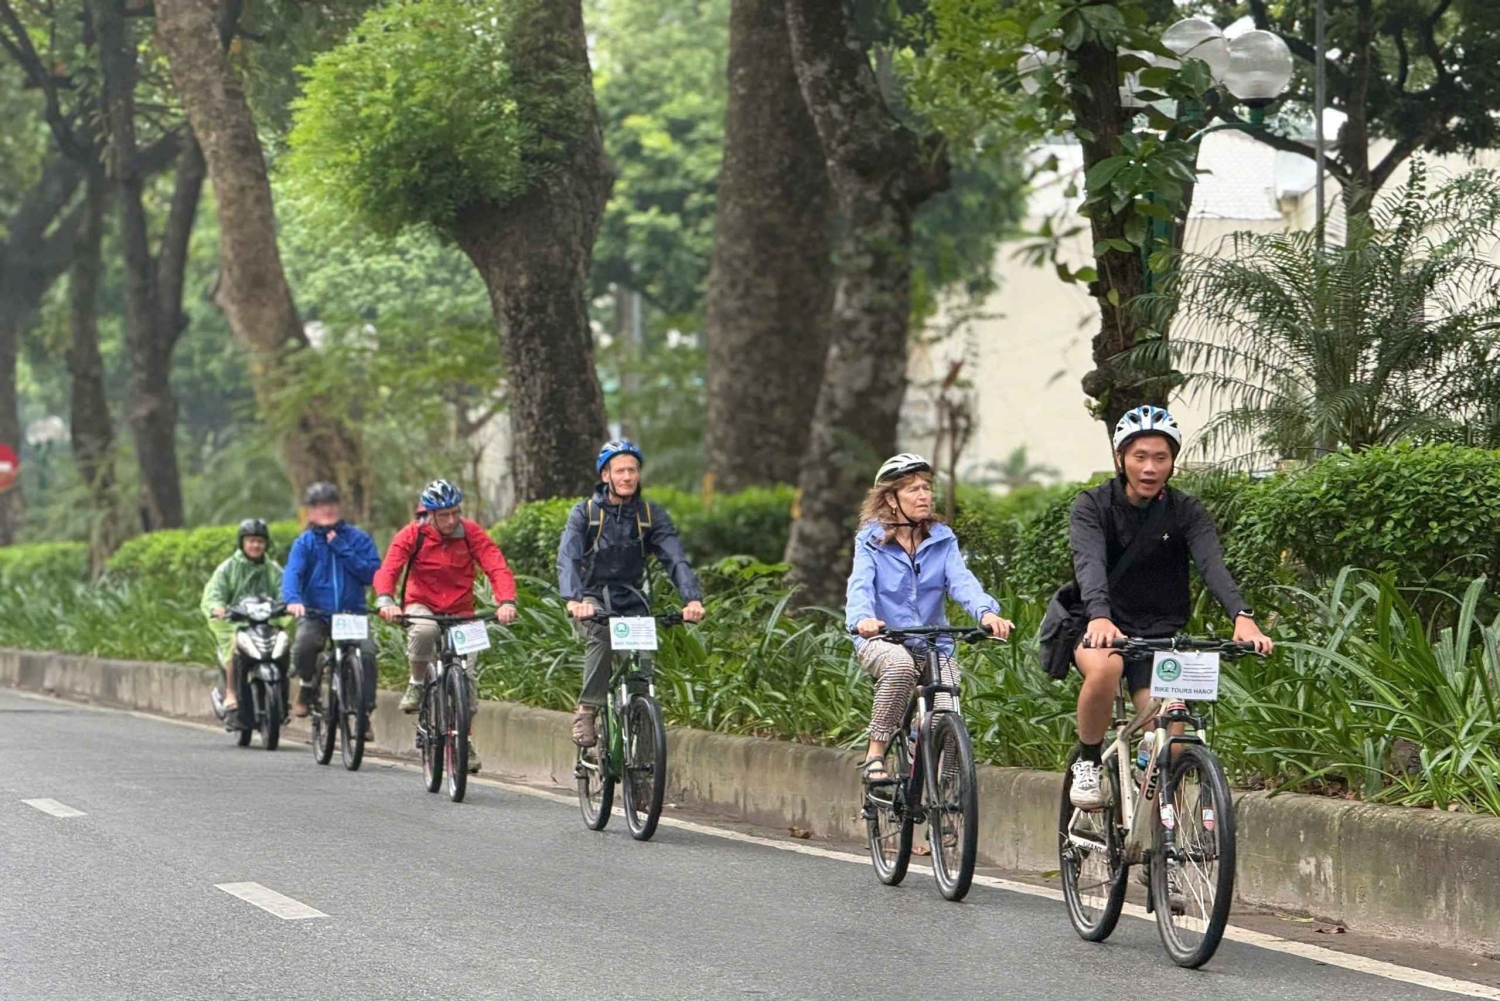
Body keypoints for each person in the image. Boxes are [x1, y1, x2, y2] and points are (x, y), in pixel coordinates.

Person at [1067, 406, 1273, 810]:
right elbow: (1088, 563)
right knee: (1106, 668)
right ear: (1121, 459)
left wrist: (1242, 617)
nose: (1150, 468)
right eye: (1140, 456)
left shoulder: (1186, 510)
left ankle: (1164, 838)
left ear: (1172, 462)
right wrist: (1100, 616)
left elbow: (1212, 564)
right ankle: (1088, 761)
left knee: (1172, 739)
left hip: (1159, 631)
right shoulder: (1093, 505)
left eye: (1160, 458)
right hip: (1099, 622)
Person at [845, 454, 1013, 784]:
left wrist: (987, 613)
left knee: (948, 705)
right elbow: (860, 584)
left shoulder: (942, 538)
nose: (924, 495)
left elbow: (962, 582)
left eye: (926, 487)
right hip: (882, 639)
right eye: (913, 489)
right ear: (891, 499)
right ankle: (875, 753)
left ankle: (949, 792)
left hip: (934, 643)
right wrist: (863, 619)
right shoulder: (870, 540)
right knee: (900, 666)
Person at [557, 439, 705, 748]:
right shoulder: (585, 513)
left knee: (641, 668)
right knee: (601, 634)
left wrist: (692, 599)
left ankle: (640, 726)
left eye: (633, 470)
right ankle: (587, 710)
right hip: (591, 598)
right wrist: (573, 599)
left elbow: (675, 558)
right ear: (605, 476)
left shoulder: (650, 515)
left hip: (632, 599)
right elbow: (568, 557)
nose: (627, 477)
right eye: (620, 471)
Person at [374, 479, 518, 774]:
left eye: (455, 513)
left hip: (461, 611)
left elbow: (496, 565)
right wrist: (386, 600)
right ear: (429, 514)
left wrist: (506, 601)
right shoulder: (412, 534)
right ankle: (417, 683)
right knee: (424, 631)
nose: (451, 520)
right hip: (422, 604)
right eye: (444, 515)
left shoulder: (471, 532)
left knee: (468, 679)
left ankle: (464, 741)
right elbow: (390, 567)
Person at [282, 482, 382, 739]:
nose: (326, 510)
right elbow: (293, 573)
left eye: (330, 504)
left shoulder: (358, 538)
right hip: (316, 613)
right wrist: (293, 599)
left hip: (352, 613)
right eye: (319, 505)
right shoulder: (305, 543)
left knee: (367, 653)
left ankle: (363, 714)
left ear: (339, 506)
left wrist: (341, 547)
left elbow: (372, 574)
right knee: (304, 645)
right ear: (310, 511)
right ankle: (306, 685)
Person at [202, 519, 283, 730]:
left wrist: (289, 604)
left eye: (260, 541)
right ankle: (231, 692)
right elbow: (215, 593)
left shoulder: (273, 569)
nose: (255, 545)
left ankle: (283, 696)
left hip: (266, 622)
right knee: (233, 646)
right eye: (251, 541)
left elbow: (285, 591)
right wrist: (218, 608)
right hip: (235, 623)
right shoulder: (228, 568)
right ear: (242, 543)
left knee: (285, 644)